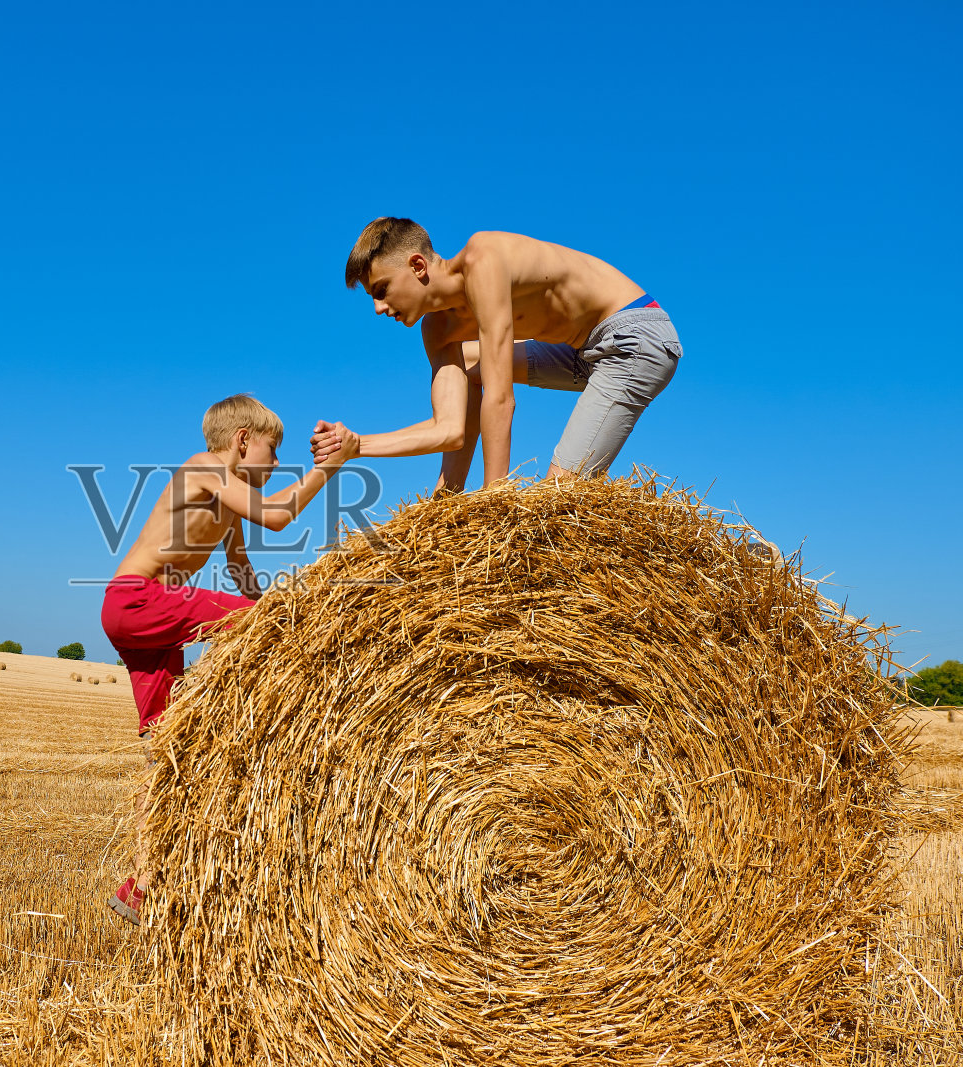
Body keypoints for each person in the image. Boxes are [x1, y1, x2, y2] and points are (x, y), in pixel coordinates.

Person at [101, 393, 358, 924]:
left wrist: (267, 613)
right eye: (273, 449)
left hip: (144, 619)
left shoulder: (227, 496)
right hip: (139, 597)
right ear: (242, 441)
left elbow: (240, 567)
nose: (277, 462)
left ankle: (141, 885)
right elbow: (280, 517)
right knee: (266, 623)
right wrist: (326, 470)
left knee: (166, 753)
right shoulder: (203, 469)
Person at [311, 218, 682, 488]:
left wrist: (494, 507)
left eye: (381, 290)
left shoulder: (483, 260)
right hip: (580, 352)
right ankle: (449, 497)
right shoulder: (437, 329)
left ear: (417, 266)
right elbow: (449, 428)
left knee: (552, 501)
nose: (379, 308)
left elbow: (501, 399)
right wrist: (357, 445)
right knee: (472, 366)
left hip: (631, 338)